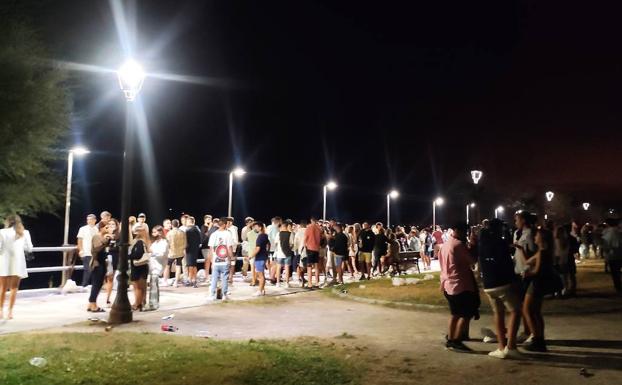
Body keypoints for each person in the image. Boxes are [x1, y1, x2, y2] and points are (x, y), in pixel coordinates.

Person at [478, 219, 521, 359]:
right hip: (502, 283)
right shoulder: (500, 243)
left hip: (488, 284)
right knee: (515, 311)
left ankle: (501, 347)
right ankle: (511, 346)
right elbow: (507, 263)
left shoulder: (482, 243)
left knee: (498, 313)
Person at [439, 222, 479, 353]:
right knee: (466, 313)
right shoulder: (458, 245)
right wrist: (473, 245)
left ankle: (451, 339)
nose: (465, 235)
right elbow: (472, 260)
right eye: (464, 232)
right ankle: (456, 340)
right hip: (460, 284)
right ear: (458, 230)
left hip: (447, 283)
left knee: (455, 313)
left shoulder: (445, 245)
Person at [522, 228, 560, 352]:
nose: (534, 238)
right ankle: (540, 339)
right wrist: (521, 250)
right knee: (536, 312)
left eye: (537, 236)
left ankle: (537, 339)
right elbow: (528, 262)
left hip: (537, 284)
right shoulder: (544, 252)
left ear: (542, 238)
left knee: (527, 310)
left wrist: (528, 274)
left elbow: (537, 271)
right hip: (541, 284)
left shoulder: (543, 253)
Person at [0, 215, 33, 320]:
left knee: (2, 288)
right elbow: (29, 248)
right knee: (14, 288)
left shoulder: (2, 232)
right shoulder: (25, 232)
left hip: (4, 262)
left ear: (8, 222)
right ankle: (10, 312)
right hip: (18, 262)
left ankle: (0, 311)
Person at [207, 217, 234, 301]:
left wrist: (211, 260)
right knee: (225, 278)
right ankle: (224, 295)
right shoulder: (228, 234)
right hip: (225, 259)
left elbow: (211, 249)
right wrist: (231, 258)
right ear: (225, 224)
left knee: (214, 278)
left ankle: (212, 294)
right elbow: (229, 248)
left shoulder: (213, 234)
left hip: (216, 260)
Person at [87, 224, 111, 313]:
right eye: (106, 227)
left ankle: (90, 304)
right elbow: (96, 249)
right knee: (96, 284)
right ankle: (93, 304)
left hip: (102, 262)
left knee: (98, 283)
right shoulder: (97, 236)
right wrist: (106, 241)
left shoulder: (103, 237)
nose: (108, 229)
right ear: (101, 228)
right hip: (97, 263)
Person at [129, 224, 150, 311]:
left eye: (137, 230)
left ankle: (137, 304)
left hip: (139, 266)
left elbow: (138, 255)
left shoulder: (140, 242)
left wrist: (128, 256)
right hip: (140, 266)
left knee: (138, 287)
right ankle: (140, 303)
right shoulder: (142, 241)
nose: (135, 232)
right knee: (139, 287)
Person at [147, 225, 168, 310]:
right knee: (153, 284)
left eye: (155, 232)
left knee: (154, 284)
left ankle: (154, 303)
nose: (153, 234)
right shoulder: (154, 243)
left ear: (160, 232)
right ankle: (153, 302)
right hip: (152, 265)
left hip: (158, 265)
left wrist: (152, 253)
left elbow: (162, 254)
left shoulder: (164, 242)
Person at [76, 214, 98, 287]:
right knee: (87, 269)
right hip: (86, 252)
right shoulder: (83, 229)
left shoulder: (96, 229)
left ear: (95, 220)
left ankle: (93, 285)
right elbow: (79, 240)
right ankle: (84, 285)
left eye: (91, 219)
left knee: (95, 269)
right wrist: (81, 250)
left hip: (95, 252)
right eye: (88, 219)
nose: (89, 221)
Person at [602, 218, 622, 295]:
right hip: (620, 254)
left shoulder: (607, 233)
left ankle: (618, 287)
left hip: (612, 255)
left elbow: (605, 245)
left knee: (615, 273)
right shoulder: (619, 231)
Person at [164, 219, 186, 288]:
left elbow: (166, 243)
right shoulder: (182, 232)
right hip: (180, 252)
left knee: (167, 266)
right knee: (178, 266)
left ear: (172, 225)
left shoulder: (169, 233)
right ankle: (176, 282)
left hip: (171, 252)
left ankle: (165, 281)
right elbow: (185, 243)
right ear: (178, 224)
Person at [103, 218, 120, 306]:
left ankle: (108, 299)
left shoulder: (118, 236)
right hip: (104, 257)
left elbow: (119, 248)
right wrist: (106, 238)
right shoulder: (105, 235)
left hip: (113, 258)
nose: (111, 226)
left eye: (113, 224)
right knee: (105, 278)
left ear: (117, 226)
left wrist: (113, 238)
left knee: (110, 278)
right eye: (109, 224)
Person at [251, 222, 270, 296]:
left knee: (260, 275)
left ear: (260, 227)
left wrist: (251, 256)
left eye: (255, 227)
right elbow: (269, 244)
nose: (254, 228)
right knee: (262, 275)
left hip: (259, 258)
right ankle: (262, 290)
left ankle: (259, 291)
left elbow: (257, 248)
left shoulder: (260, 236)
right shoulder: (265, 235)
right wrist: (266, 252)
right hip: (263, 256)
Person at [184, 216, 202, 288]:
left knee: (191, 265)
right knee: (194, 265)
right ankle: (194, 280)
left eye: (186, 221)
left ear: (189, 222)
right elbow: (200, 240)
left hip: (190, 250)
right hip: (195, 249)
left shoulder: (189, 230)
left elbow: (186, 241)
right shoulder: (197, 229)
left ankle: (190, 280)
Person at [304, 217, 322, 288]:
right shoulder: (319, 228)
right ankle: (317, 283)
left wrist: (304, 246)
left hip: (310, 248)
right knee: (316, 266)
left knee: (309, 267)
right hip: (316, 249)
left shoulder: (309, 227)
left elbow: (305, 238)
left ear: (311, 220)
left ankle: (310, 283)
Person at [275, 222, 294, 287]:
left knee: (278, 268)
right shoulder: (290, 234)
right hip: (287, 253)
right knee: (287, 268)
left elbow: (276, 243)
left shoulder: (278, 234)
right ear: (287, 226)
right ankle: (287, 283)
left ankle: (278, 283)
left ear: (283, 226)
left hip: (279, 253)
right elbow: (291, 244)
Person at [240, 217, 254, 281]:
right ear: (248, 222)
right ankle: (244, 274)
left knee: (251, 261)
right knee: (245, 261)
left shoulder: (252, 228)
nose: (252, 223)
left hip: (251, 247)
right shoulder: (245, 229)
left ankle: (251, 274)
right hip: (246, 247)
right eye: (251, 222)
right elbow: (243, 238)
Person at [226, 217, 239, 284]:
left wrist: (234, 248)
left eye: (230, 222)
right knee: (227, 263)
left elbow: (235, 240)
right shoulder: (226, 228)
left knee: (232, 263)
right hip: (226, 250)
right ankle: (227, 276)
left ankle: (231, 277)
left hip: (233, 249)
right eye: (228, 222)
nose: (229, 223)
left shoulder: (233, 229)